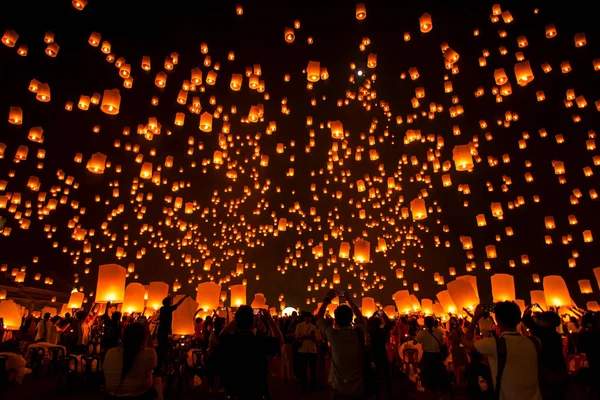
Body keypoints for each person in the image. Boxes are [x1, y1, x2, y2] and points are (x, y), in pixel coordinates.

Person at [463, 302, 541, 400]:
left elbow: (466, 342)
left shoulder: (493, 344)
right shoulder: (535, 342)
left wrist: (475, 318)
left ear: (497, 320)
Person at [219, 305, 283, 399]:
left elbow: (222, 334)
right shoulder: (259, 341)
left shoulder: (231, 341)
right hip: (257, 391)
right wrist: (269, 320)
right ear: (253, 323)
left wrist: (237, 319)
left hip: (235, 391)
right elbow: (280, 340)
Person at [316, 289, 365, 400]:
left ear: (335, 321)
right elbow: (361, 318)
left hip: (340, 389)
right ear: (351, 319)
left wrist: (327, 299)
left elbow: (318, 318)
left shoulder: (333, 335)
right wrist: (348, 299)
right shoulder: (359, 333)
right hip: (359, 388)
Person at [522, 308, 568, 400]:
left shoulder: (544, 332)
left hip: (547, 368)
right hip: (559, 367)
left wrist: (527, 312)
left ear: (546, 322)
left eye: (541, 320)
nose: (538, 322)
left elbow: (529, 322)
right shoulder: (556, 335)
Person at [104, 322, 157, 399]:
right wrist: (148, 334)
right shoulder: (148, 353)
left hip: (112, 394)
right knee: (155, 379)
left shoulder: (110, 352)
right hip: (139, 395)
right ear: (143, 338)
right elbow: (154, 363)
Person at [414, 316, 451, 396]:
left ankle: (429, 390)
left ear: (425, 324)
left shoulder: (422, 333)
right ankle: (439, 390)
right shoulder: (438, 332)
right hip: (437, 356)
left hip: (427, 356)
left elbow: (415, 342)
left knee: (427, 373)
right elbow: (442, 343)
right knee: (438, 373)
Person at [155, 295, 188, 371]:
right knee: (164, 348)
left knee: (160, 347)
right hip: (165, 330)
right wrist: (184, 297)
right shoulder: (169, 309)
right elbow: (178, 303)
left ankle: (159, 364)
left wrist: (170, 297)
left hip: (161, 330)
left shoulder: (162, 309)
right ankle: (162, 364)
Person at [367, 312, 392, 400]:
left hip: (372, 356)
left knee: (375, 376)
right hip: (382, 354)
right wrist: (384, 314)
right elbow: (389, 324)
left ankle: (377, 394)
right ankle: (389, 393)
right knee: (386, 375)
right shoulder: (382, 331)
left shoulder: (367, 332)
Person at [295, 312, 319, 391]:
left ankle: (313, 385)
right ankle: (304, 385)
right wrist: (305, 336)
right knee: (303, 369)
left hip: (312, 349)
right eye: (307, 317)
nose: (308, 319)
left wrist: (310, 337)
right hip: (302, 349)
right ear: (304, 318)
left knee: (313, 369)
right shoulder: (299, 326)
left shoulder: (314, 327)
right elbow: (297, 337)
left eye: (309, 317)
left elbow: (316, 339)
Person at [448, 316, 468, 386]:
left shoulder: (454, 331)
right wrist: (462, 346)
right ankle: (462, 381)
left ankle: (458, 381)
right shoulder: (459, 329)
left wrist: (459, 346)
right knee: (461, 364)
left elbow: (457, 341)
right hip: (459, 348)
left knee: (457, 365)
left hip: (456, 349)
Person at [279, 315, 295, 383]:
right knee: (289, 361)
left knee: (284, 362)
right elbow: (289, 336)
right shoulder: (287, 329)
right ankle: (289, 377)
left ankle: (283, 376)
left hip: (283, 346)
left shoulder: (282, 329)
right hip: (287, 345)